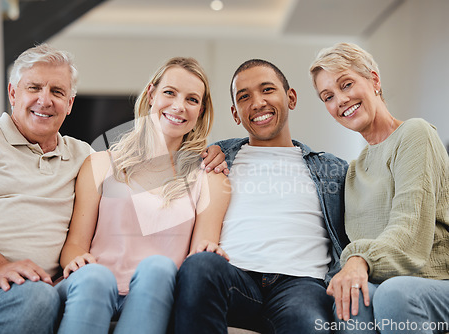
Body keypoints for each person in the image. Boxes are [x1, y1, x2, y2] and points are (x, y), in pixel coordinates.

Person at [55, 57, 231, 334]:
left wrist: (212, 253)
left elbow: (199, 256)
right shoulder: (100, 163)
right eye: (170, 92)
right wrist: (77, 261)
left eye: (192, 99)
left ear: (201, 111)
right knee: (96, 278)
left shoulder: (210, 176)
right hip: (93, 285)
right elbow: (75, 244)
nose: (178, 106)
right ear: (151, 94)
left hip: (156, 292)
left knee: (158, 268)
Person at [173, 59, 349, 334]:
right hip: (235, 277)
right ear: (235, 113)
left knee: (307, 324)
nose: (257, 103)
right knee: (199, 266)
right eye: (244, 97)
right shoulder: (216, 159)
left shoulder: (333, 169)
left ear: (290, 98)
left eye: (267, 90)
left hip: (300, 284)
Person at [0, 44, 93, 333]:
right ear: (13, 93)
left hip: (21, 289)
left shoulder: (85, 156)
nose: (45, 100)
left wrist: (212, 151)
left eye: (57, 92)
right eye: (34, 87)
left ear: (70, 103)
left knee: (39, 297)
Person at [309, 42, 449, 334]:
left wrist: (359, 258)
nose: (341, 100)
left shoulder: (415, 134)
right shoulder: (352, 171)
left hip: (436, 283)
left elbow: (409, 230)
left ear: (374, 80)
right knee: (354, 300)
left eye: (347, 84)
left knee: (393, 293)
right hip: (384, 288)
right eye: (328, 96)